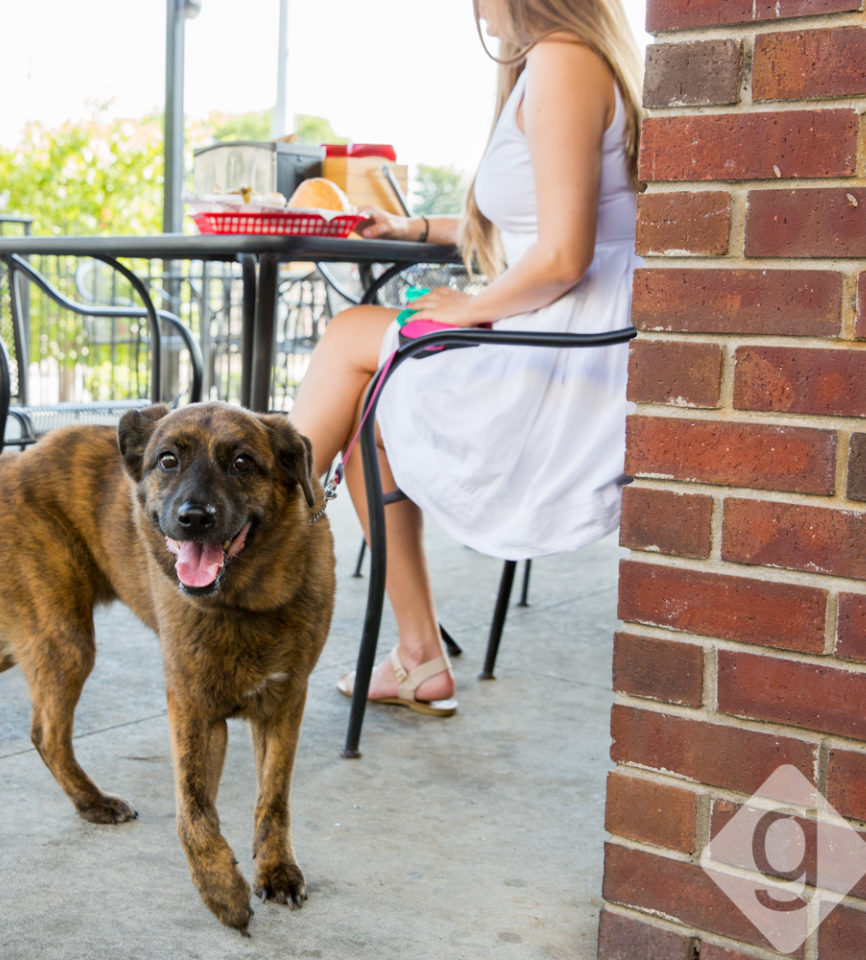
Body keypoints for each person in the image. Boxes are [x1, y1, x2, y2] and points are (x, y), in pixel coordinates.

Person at [288, 0, 644, 715]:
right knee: (366, 393)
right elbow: (534, 223)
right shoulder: (560, 62)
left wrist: (469, 307)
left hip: (565, 365)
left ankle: (249, 531)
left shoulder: (563, 59)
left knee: (353, 332)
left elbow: (564, 254)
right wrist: (416, 226)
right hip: (559, 336)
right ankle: (415, 654)